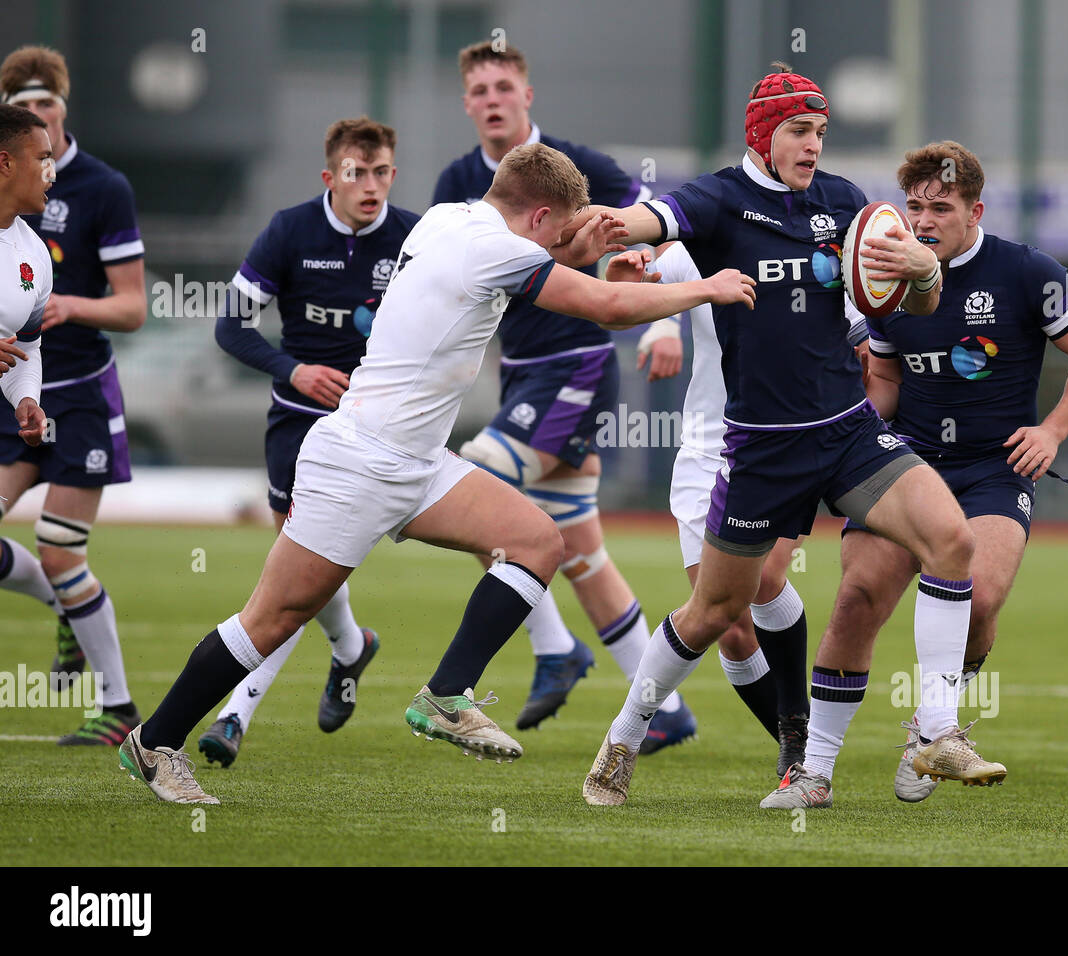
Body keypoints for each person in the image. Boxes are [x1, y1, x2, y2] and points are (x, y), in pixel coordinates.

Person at [117, 142, 756, 804]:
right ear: (540, 214)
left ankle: (446, 694)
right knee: (273, 618)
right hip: (363, 459)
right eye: (559, 227)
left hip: (416, 461)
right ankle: (156, 741)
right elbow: (607, 307)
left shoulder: (446, 218)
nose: (559, 238)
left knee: (538, 540)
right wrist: (707, 287)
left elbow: (522, 275)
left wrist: (575, 256)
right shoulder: (499, 249)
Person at [577, 64, 1003, 809]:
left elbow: (919, 299)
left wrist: (924, 269)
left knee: (952, 540)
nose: (813, 145)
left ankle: (936, 728)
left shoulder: (844, 204)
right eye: (800, 132)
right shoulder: (719, 200)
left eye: (820, 132)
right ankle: (624, 734)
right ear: (763, 134)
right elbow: (656, 222)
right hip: (761, 447)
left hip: (846, 433)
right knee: (716, 613)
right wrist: (622, 230)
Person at [774, 140, 1068, 806]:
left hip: (993, 468)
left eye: (941, 207)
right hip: (903, 461)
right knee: (857, 599)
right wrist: (838, 435)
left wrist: (1052, 430)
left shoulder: (1028, 272)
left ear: (974, 210)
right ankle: (813, 773)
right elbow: (887, 386)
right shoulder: (887, 280)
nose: (923, 221)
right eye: (914, 207)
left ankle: (927, 735)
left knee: (980, 602)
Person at [432, 40, 695, 747]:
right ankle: (663, 711)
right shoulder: (458, 182)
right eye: (479, 88)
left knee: (473, 487)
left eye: (503, 85)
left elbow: (666, 236)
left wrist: (662, 322)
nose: (492, 98)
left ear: (527, 94)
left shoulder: (581, 168)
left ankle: (554, 650)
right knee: (578, 547)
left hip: (574, 364)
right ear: (467, 104)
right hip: (521, 371)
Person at [193, 117, 423, 768]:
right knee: (300, 567)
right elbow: (231, 327)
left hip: (376, 431)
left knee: (298, 572)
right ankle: (350, 647)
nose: (370, 185)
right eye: (357, 173)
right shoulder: (290, 231)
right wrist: (291, 368)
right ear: (331, 178)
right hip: (295, 423)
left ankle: (236, 713)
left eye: (381, 172)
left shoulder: (413, 239)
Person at [608, 241, 814, 777]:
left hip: (785, 446)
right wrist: (651, 315)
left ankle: (806, 750)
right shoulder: (698, 245)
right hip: (708, 452)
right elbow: (625, 294)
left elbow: (867, 341)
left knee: (765, 578)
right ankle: (802, 757)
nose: (811, 150)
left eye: (817, 146)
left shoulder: (826, 235)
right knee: (730, 624)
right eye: (797, 146)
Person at [0, 47, 147, 746]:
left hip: (78, 397)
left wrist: (65, 317)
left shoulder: (83, 203)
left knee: (60, 549)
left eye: (46, 107)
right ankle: (63, 609)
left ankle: (118, 708)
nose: (41, 125)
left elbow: (131, 307)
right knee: (56, 567)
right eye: (25, 113)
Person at [0, 104, 52, 460]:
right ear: (5, 163)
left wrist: (26, 397)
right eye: (42, 159)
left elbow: (27, 347)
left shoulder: (35, 253)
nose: (52, 172)